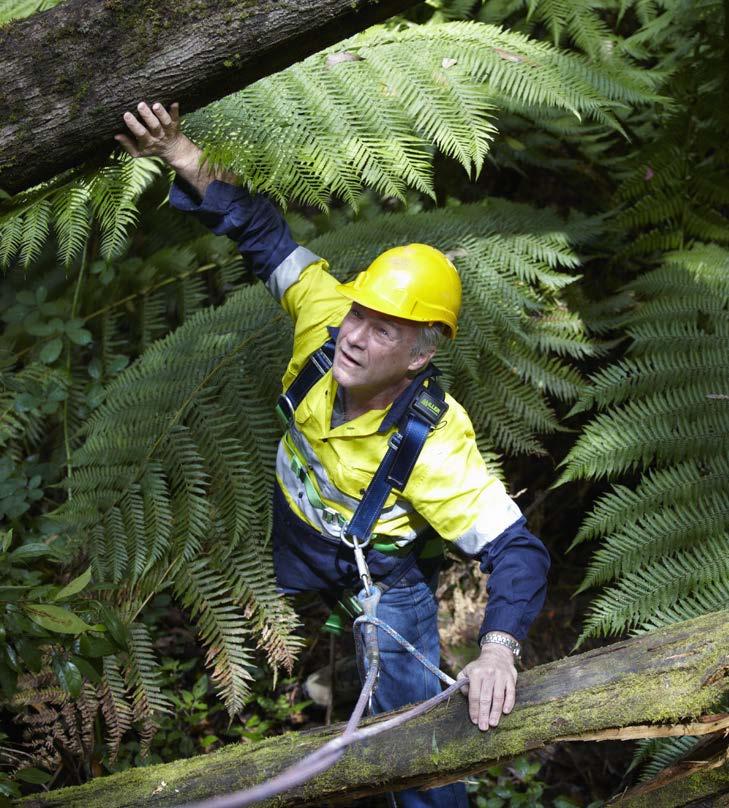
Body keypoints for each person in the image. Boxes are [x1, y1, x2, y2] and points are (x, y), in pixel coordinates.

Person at [116, 101, 550, 808]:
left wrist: (499, 646)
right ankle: (345, 673)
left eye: (384, 331)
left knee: (418, 747)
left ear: (418, 358)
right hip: (300, 548)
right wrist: (181, 154)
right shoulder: (325, 319)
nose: (355, 335)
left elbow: (518, 550)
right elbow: (264, 233)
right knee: (345, 643)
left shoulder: (435, 444)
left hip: (380, 582)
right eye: (359, 312)